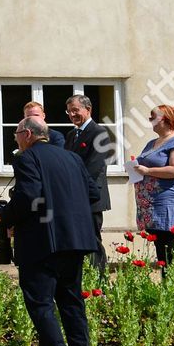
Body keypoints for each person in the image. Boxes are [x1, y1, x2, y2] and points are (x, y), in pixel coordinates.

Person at [0, 117, 99, 346]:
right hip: (75, 240)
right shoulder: (72, 158)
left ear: (28, 134)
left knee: (41, 303)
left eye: (17, 134)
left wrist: (5, 216)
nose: (16, 139)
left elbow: (29, 195)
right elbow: (93, 193)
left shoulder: (26, 158)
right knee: (71, 301)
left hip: (42, 243)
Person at [134, 104, 174, 274]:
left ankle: (171, 286)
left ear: (164, 120)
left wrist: (148, 171)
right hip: (151, 202)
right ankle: (168, 286)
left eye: (152, 117)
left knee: (166, 245)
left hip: (167, 200)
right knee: (160, 245)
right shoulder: (152, 143)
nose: (149, 120)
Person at [64, 94, 115, 275]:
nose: (72, 114)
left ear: (88, 109)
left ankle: (100, 280)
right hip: (73, 198)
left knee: (92, 239)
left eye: (75, 110)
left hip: (90, 197)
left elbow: (93, 169)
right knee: (78, 239)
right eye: (69, 111)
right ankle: (84, 277)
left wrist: (72, 189)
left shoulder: (98, 133)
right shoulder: (71, 135)